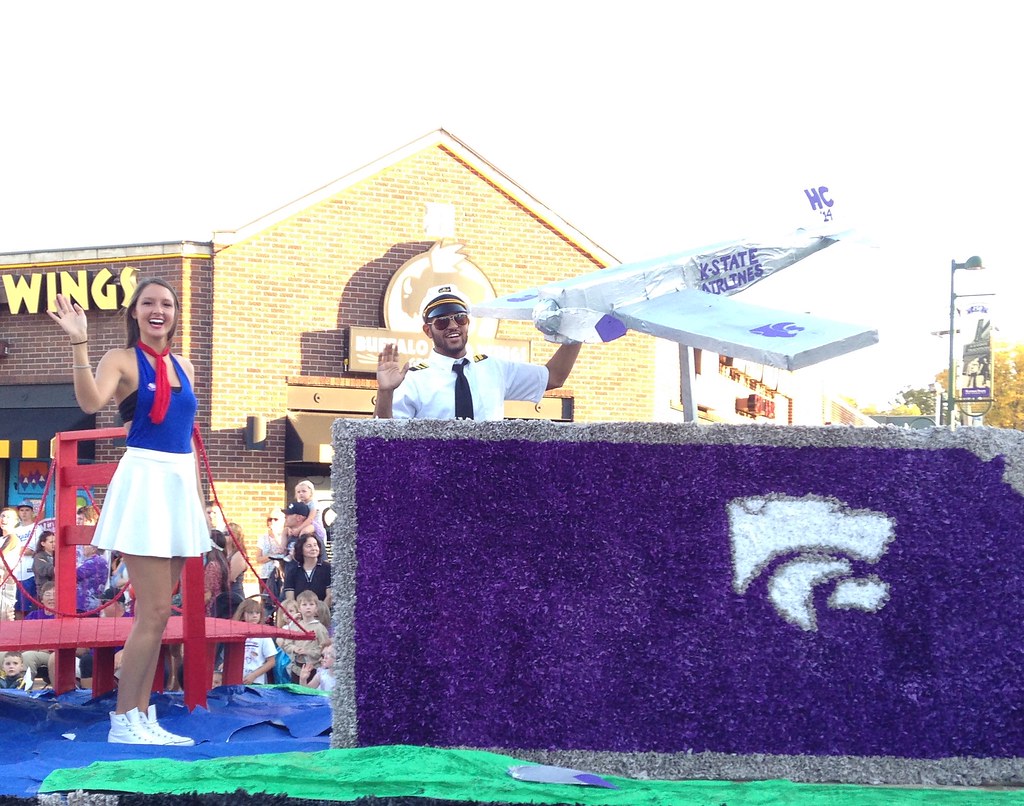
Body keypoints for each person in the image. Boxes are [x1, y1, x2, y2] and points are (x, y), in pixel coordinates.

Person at [47, 278, 208, 746]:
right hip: (145, 481)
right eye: (149, 303)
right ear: (135, 312)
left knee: (160, 613)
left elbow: (189, 438)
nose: (159, 310)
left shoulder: (186, 365)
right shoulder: (120, 359)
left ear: (176, 313)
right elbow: (91, 402)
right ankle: (124, 720)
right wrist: (79, 341)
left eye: (167, 304)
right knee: (154, 610)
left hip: (179, 483)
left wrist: (197, 503)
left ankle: (140, 714)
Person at [374, 286, 583, 420]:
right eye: (442, 321)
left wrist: (579, 330)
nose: (453, 325)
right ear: (428, 330)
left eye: (460, 318)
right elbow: (382, 437)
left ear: (468, 323)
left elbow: (554, 376)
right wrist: (385, 392)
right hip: (434, 482)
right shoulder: (414, 379)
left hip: (487, 480)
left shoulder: (494, 368)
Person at [278, 590, 330, 684]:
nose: (308, 607)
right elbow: (286, 644)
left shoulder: (319, 628)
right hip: (296, 668)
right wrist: (295, 649)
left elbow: (324, 648)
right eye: (304, 605)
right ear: (299, 608)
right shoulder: (294, 626)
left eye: (311, 604)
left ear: (316, 607)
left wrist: (308, 652)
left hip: (313, 668)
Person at [234, 598, 278, 685]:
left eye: (257, 613)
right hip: (237, 679)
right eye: (250, 613)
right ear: (242, 615)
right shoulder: (236, 633)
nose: (255, 616)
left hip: (257, 682)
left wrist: (254, 675)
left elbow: (271, 662)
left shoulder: (264, 636)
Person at [283, 533, 332, 608]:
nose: (313, 548)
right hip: (300, 616)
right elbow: (290, 599)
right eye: (309, 546)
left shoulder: (327, 568)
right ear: (301, 549)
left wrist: (319, 613)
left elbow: (330, 595)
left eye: (315, 545)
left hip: (323, 614)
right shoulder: (293, 571)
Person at [254, 507, 287, 617]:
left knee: (280, 603)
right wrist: (271, 556)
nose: (272, 522)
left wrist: (277, 536)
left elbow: (284, 551)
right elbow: (258, 558)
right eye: (270, 519)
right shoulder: (263, 538)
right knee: (266, 603)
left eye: (276, 519)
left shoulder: (286, 536)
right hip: (266, 574)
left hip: (281, 574)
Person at [290, 480, 327, 545]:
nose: (301, 493)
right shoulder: (300, 504)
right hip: (304, 524)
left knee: (304, 532)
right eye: (298, 492)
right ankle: (283, 548)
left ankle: (300, 547)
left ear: (311, 492)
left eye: (304, 491)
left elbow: (310, 519)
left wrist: (298, 529)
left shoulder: (313, 503)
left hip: (314, 525)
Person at [0, 508, 21, 620]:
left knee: (4, 617)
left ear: (15, 521)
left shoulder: (12, 537)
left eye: (8, 517)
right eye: (2, 516)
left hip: (6, 583)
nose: (4, 519)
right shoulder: (1, 539)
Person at [76, 543, 109, 614]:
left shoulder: (94, 562)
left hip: (86, 604)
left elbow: (75, 574)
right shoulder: (100, 561)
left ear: (94, 549)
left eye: (86, 545)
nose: (83, 547)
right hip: (92, 603)